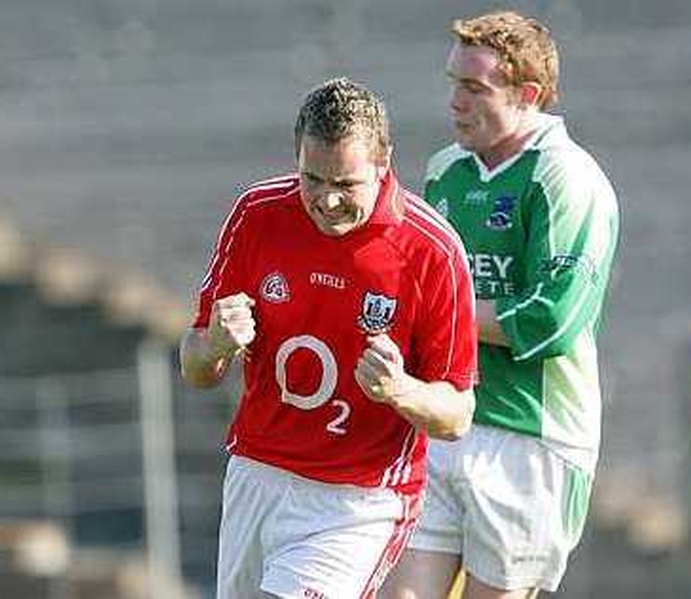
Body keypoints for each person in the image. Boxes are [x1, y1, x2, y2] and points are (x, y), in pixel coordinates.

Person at [179, 77, 478, 599]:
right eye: (311, 178)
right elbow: (195, 366)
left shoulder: (432, 251)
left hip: (356, 504)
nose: (327, 200)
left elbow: (457, 415)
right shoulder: (257, 215)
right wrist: (216, 345)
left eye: (346, 183)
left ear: (385, 160)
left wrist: (401, 390)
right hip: (257, 476)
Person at [381, 10, 619, 599]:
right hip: (444, 420)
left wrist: (439, 314)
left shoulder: (567, 178)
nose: (455, 102)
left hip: (531, 440)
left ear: (528, 94)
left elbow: (552, 320)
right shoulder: (445, 172)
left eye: (474, 87)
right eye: (453, 83)